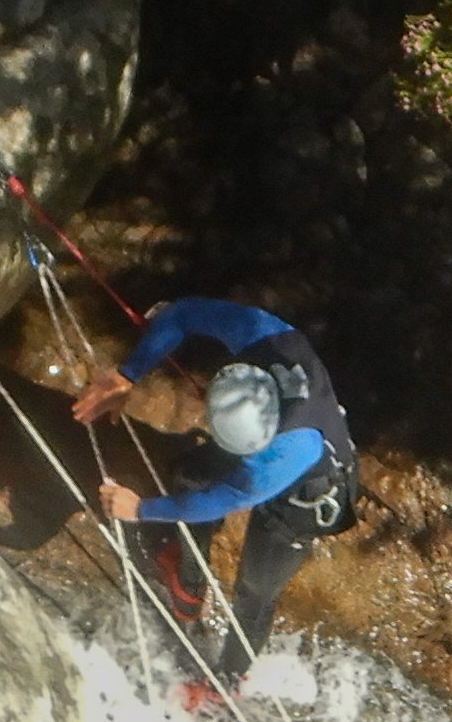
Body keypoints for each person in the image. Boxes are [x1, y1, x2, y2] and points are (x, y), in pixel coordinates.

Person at [63, 296, 361, 696]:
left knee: (253, 593)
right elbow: (182, 315)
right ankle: (189, 586)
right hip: (270, 446)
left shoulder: (286, 452)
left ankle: (226, 683)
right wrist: (126, 376)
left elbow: (223, 499)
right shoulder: (269, 339)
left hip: (306, 499)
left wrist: (141, 510)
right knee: (189, 475)